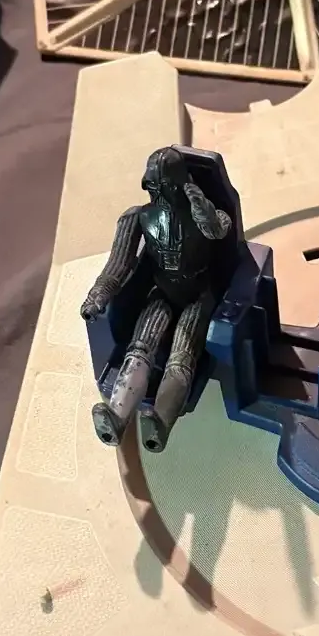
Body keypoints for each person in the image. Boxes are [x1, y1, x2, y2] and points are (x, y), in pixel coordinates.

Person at [79, 145, 231, 452]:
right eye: (154, 185)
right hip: (161, 291)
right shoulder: (138, 218)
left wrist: (203, 212)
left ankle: (160, 423)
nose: (159, 192)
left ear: (183, 185)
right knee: (140, 346)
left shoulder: (206, 213)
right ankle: (117, 415)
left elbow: (217, 229)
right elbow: (118, 265)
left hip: (199, 294)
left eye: (166, 185)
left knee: (181, 354)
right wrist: (98, 295)